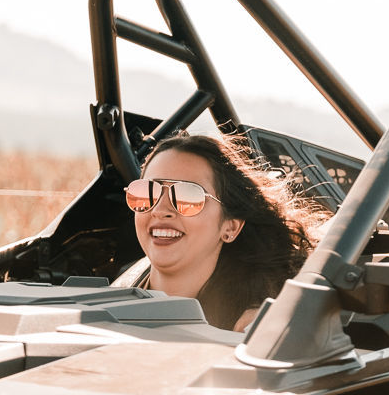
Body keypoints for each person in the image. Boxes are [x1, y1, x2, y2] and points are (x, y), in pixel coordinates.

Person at [122, 133, 327, 332]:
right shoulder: (119, 287)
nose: (160, 210)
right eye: (148, 192)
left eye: (188, 196)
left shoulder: (253, 326)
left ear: (230, 227)